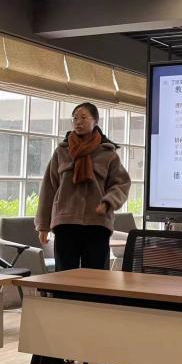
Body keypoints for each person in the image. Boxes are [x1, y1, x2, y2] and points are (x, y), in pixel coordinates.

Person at [35, 102, 131, 271]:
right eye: (75, 118)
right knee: (64, 276)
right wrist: (43, 225)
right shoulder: (61, 152)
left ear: (95, 121)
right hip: (65, 223)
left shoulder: (108, 154)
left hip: (97, 223)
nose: (78, 122)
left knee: (96, 277)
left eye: (83, 117)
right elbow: (48, 188)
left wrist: (108, 202)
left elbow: (121, 184)